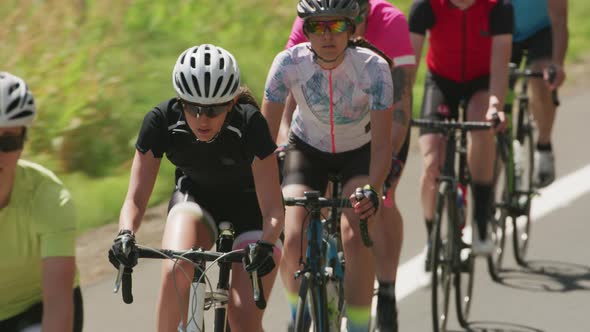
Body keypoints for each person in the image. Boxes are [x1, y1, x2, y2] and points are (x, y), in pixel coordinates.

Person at [107, 44, 284, 332]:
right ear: (180, 101)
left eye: (213, 110)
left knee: (242, 318)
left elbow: (274, 208)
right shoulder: (161, 121)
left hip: (253, 212)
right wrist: (125, 233)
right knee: (176, 269)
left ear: (230, 104)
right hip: (197, 201)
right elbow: (136, 199)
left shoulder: (251, 123)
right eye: (193, 107)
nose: (203, 118)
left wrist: (266, 243)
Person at [281, 0, 416, 329]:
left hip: (375, 135)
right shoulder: (311, 24)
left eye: (339, 24)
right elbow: (288, 98)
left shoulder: (390, 23)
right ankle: (299, 312)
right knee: (297, 225)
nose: (328, 33)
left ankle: (382, 293)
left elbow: (402, 100)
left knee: (363, 221)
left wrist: (384, 172)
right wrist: (282, 152)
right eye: (320, 26)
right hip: (315, 139)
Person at [408, 0, 514, 257]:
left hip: (481, 82)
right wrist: (398, 110)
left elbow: (500, 67)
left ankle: (480, 221)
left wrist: (495, 106)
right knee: (432, 161)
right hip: (441, 83)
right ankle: (432, 237)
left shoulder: (498, 7)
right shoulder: (426, 5)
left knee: (481, 128)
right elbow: (408, 69)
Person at [0, 72, 83, 332]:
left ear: (22, 144)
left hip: (36, 310)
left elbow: (58, 304)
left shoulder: (48, 199)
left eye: (8, 141)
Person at [511, 0, 568, 188]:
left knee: (542, 78)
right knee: (496, 93)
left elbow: (559, 20)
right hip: (502, 29)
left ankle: (543, 146)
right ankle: (505, 148)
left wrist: (557, 64)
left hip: (541, 30)